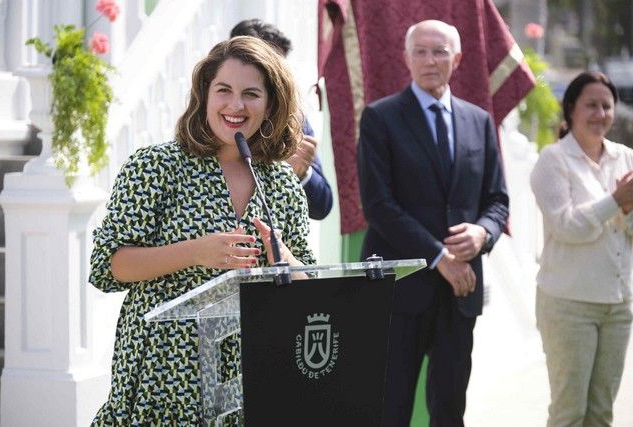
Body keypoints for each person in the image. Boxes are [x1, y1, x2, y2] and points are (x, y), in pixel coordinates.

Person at [89, 36, 315, 424]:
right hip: (163, 373)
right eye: (223, 90)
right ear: (204, 95)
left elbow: (309, 283)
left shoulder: (281, 182)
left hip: (251, 376)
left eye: (251, 94)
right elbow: (108, 267)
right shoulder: (156, 166)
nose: (236, 105)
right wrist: (195, 252)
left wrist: (285, 257)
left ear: (271, 104)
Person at [357, 20, 509, 426]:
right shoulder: (379, 119)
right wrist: (439, 256)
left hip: (460, 295)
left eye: (439, 51)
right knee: (390, 409)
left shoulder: (479, 121)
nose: (429, 60)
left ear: (457, 59)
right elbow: (378, 206)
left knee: (449, 410)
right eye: (420, 51)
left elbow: (497, 201)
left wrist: (482, 233)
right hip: (400, 288)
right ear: (406, 59)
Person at [530, 71, 633, 427]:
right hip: (568, 305)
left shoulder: (626, 159)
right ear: (571, 109)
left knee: (602, 414)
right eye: (591, 105)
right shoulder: (552, 160)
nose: (600, 114)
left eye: (607, 106)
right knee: (569, 412)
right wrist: (616, 202)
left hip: (618, 306)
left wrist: (625, 212)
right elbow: (567, 226)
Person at [230, 18, 333, 220]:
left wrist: (301, 174)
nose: (276, 82)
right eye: (267, 71)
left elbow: (322, 206)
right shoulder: (215, 120)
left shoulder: (294, 120)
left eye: (280, 71)